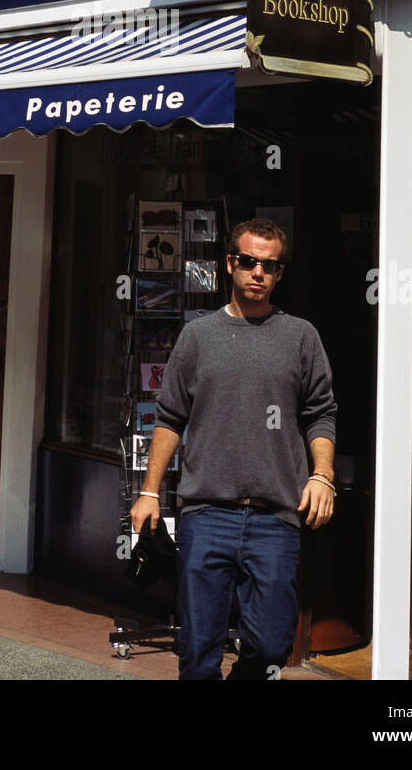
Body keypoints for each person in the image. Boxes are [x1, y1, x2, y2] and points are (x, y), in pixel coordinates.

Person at [129, 217, 337, 681]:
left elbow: (320, 413)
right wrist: (148, 492)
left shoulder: (301, 337)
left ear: (280, 273)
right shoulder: (198, 337)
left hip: (276, 517)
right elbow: (170, 418)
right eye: (247, 262)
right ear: (229, 265)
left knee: (268, 647)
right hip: (206, 513)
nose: (257, 272)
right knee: (198, 651)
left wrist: (321, 475)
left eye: (268, 265)